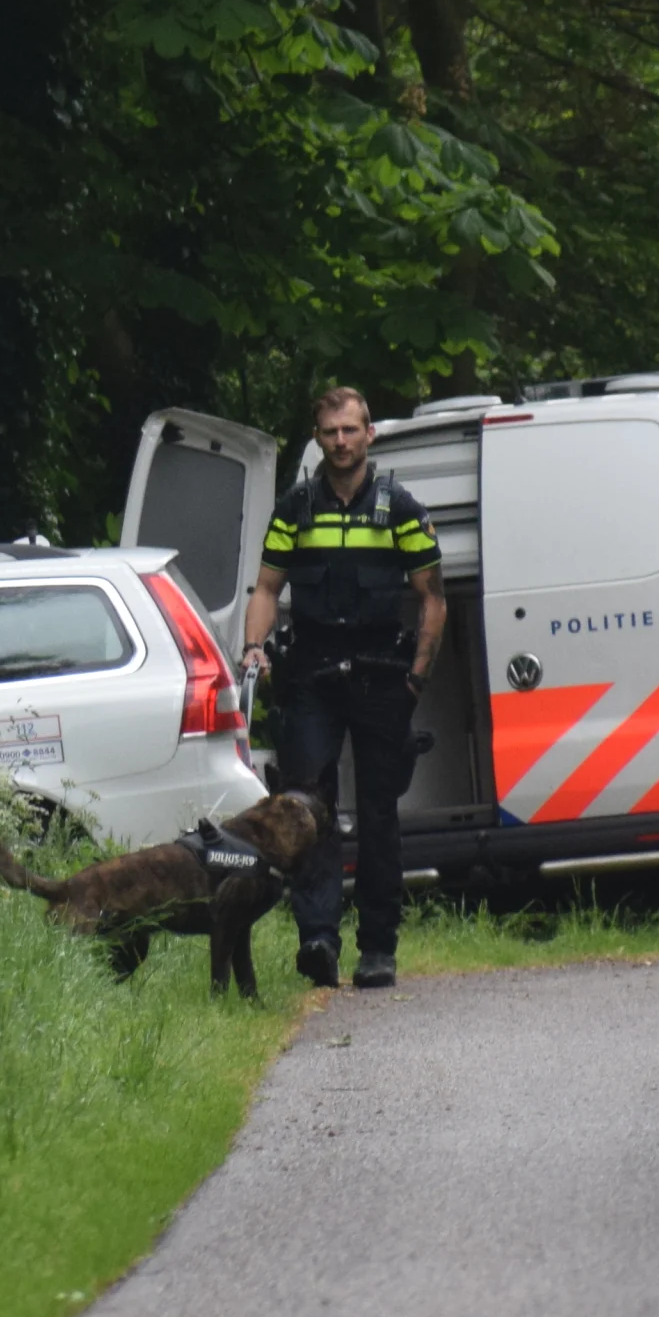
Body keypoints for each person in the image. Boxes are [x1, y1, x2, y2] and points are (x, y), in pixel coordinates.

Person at [243, 386, 445, 991]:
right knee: (309, 811)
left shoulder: (402, 508)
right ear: (318, 437)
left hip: (384, 674)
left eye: (350, 431)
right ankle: (318, 939)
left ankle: (377, 949)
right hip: (311, 674)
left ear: (369, 434)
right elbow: (265, 589)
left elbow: (433, 598)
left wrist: (417, 677)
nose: (340, 442)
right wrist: (255, 647)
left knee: (381, 816)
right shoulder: (295, 508)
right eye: (330, 432)